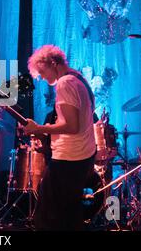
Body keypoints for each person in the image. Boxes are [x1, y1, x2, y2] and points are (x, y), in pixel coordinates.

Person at [20, 45, 96, 230]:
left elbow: (71, 126)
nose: (43, 78)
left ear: (53, 63)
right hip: (82, 156)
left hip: (69, 158)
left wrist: (39, 127)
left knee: (47, 218)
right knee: (69, 215)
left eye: (42, 72)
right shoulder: (80, 79)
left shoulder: (65, 83)